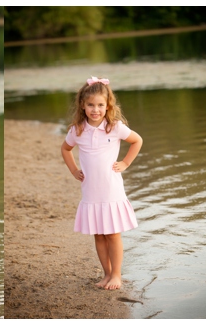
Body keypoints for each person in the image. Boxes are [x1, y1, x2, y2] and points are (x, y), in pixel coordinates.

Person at [61, 76, 143, 291]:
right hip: (90, 191)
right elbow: (65, 149)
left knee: (113, 233)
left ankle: (117, 274)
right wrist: (73, 170)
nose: (95, 109)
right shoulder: (77, 130)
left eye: (100, 105)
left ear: (108, 106)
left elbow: (137, 140)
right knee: (98, 233)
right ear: (82, 105)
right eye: (90, 105)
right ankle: (106, 274)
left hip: (110, 189)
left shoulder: (114, 127)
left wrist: (125, 162)